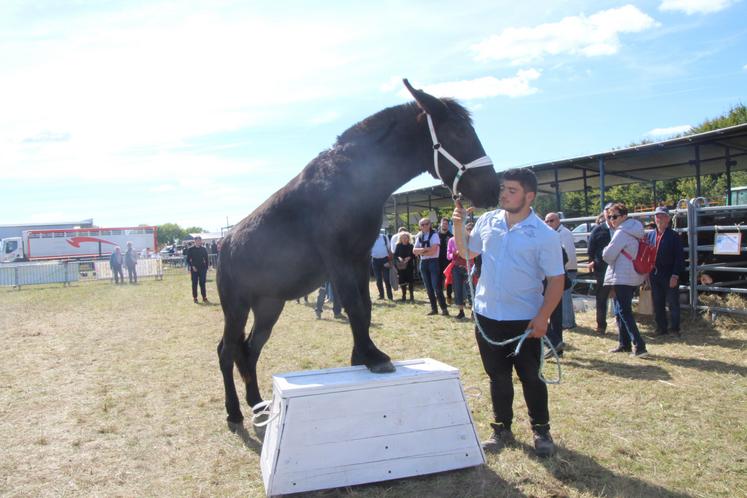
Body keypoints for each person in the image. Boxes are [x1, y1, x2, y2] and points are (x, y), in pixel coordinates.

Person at [453, 167, 564, 457]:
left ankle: (541, 429)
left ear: (529, 196)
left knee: (531, 376)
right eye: (503, 189)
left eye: (511, 190)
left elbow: (556, 279)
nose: (503, 194)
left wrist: (543, 317)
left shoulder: (544, 235)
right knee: (497, 377)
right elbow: (467, 253)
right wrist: (458, 225)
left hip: (525, 320)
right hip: (488, 316)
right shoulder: (489, 221)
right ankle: (501, 428)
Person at [602, 203, 649, 357]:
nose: (611, 220)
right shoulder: (634, 229)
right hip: (631, 275)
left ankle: (639, 345)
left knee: (623, 311)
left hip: (622, 276)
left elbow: (608, 255)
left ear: (623, 216)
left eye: (614, 216)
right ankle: (624, 343)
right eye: (609, 217)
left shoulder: (621, 232)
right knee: (619, 310)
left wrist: (605, 250)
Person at [647, 206, 684, 336]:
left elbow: (679, 258)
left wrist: (675, 275)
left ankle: (674, 329)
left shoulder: (674, 236)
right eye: (657, 216)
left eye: (662, 216)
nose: (659, 219)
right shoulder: (650, 235)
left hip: (669, 273)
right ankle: (661, 328)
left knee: (673, 302)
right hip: (654, 273)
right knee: (658, 302)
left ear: (668, 219)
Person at [543, 213, 577, 330]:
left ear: (558, 221)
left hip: (567, 270)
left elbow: (567, 255)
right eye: (546, 221)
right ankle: (566, 321)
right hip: (561, 270)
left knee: (565, 297)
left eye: (551, 221)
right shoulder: (554, 234)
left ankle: (567, 323)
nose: (549, 223)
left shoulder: (564, 233)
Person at [587, 206, 614, 333]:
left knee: (621, 296)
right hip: (602, 268)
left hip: (619, 268)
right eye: (607, 212)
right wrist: (592, 260)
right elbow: (591, 248)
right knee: (601, 297)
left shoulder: (622, 229)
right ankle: (601, 325)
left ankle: (622, 323)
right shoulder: (598, 230)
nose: (609, 214)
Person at [414, 218, 449, 316]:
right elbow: (414, 251)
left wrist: (421, 251)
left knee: (436, 287)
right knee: (428, 288)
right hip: (423, 262)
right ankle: (434, 309)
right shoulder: (419, 236)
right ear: (420, 226)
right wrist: (425, 250)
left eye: (426, 224)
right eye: (422, 224)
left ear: (430, 224)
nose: (424, 226)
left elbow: (433, 250)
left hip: (433, 262)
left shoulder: (434, 234)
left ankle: (444, 309)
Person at [446, 221, 476, 319]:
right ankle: (461, 311)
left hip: (469, 267)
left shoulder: (470, 239)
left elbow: (475, 252)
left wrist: (464, 251)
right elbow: (448, 255)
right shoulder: (451, 240)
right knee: (457, 289)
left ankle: (473, 312)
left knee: (471, 289)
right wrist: (455, 254)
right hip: (456, 267)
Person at [370, 231, 394, 300]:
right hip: (375, 261)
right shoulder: (370, 239)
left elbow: (389, 249)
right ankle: (381, 295)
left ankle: (390, 296)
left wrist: (390, 261)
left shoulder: (384, 237)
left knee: (386, 279)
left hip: (385, 260)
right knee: (378, 279)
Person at [186, 236, 210, 303]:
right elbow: (188, 260)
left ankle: (204, 297)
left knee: (202, 283)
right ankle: (195, 298)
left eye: (200, 240)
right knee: (194, 283)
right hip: (194, 269)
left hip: (202, 269)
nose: (199, 242)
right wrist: (192, 266)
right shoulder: (191, 249)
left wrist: (206, 268)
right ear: (195, 241)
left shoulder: (203, 249)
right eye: (198, 240)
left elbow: (206, 259)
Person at [394, 232, 415, 302]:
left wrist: (409, 258)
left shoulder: (411, 246)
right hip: (401, 266)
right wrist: (399, 258)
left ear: (408, 238)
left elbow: (414, 255)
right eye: (403, 238)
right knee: (402, 281)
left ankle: (411, 296)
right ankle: (404, 295)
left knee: (410, 281)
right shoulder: (398, 245)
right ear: (400, 238)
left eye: (406, 238)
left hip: (409, 266)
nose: (404, 239)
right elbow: (395, 255)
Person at [437, 218, 454, 304]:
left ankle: (449, 296)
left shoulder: (451, 236)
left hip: (448, 261)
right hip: (437, 260)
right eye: (443, 223)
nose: (445, 225)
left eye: (446, 224)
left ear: (448, 225)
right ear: (440, 224)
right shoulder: (436, 235)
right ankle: (440, 296)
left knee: (448, 279)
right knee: (439, 279)